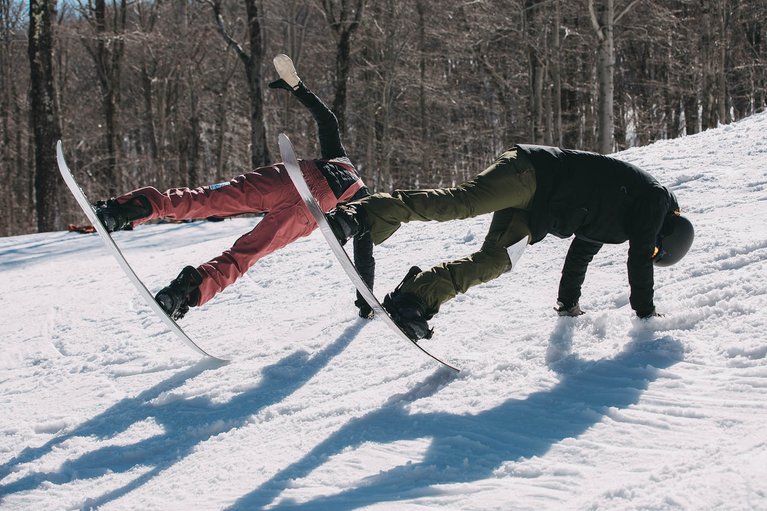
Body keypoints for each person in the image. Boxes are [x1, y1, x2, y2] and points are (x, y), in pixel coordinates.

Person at [95, 55, 375, 320]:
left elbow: (328, 120)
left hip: (288, 177)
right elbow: (364, 255)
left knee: (207, 199)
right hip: (305, 213)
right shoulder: (365, 200)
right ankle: (186, 292)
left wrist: (297, 86)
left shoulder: (339, 156)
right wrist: (366, 302)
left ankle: (126, 210)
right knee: (244, 255)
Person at [326, 145, 694, 340]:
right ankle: (358, 216)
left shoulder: (621, 217)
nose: (652, 250)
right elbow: (640, 257)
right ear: (666, 235)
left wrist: (568, 304)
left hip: (534, 210)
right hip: (532, 173)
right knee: (461, 202)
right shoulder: (656, 199)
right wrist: (645, 313)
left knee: (498, 260)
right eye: (658, 249)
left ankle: (415, 299)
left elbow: (582, 249)